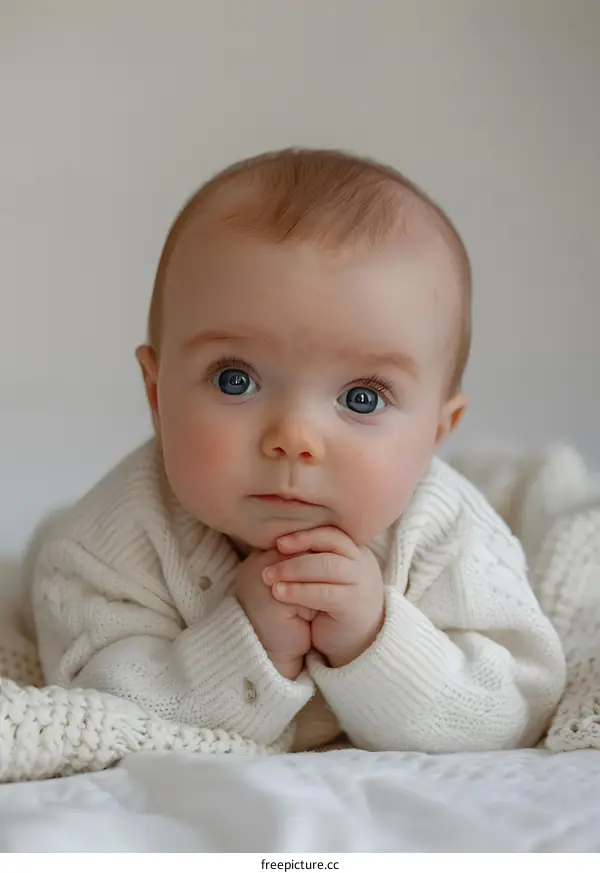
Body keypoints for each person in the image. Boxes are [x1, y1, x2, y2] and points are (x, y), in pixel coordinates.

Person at [31, 148, 566, 753]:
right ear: (157, 395)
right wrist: (246, 643)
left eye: (363, 398)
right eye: (236, 380)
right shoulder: (109, 542)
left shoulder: (447, 534)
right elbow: (94, 710)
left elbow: (514, 708)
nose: (293, 436)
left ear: (437, 433)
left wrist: (379, 642)